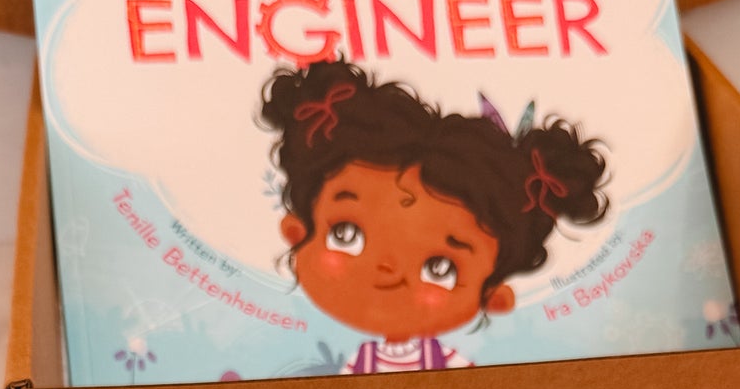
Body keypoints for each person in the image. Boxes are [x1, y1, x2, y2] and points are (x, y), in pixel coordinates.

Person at [260, 59, 608, 372]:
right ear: (296, 231)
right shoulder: (356, 365)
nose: (389, 270)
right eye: (346, 234)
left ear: (493, 297)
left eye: (440, 268)